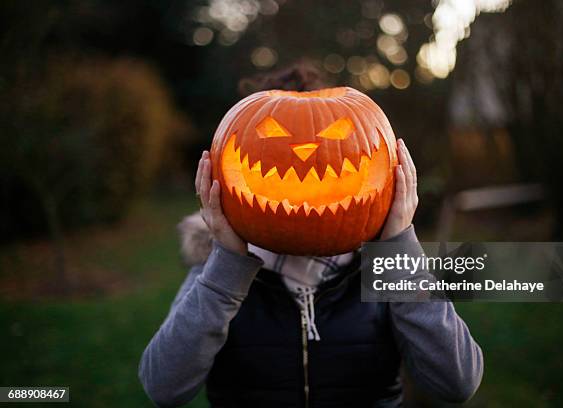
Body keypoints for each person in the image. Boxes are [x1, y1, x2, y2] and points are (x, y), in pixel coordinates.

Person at [139, 67, 483, 408]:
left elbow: (458, 382)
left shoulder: (385, 273)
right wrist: (228, 263)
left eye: (333, 132)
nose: (304, 149)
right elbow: (163, 388)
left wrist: (397, 251)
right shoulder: (216, 275)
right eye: (272, 134)